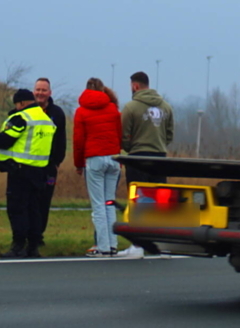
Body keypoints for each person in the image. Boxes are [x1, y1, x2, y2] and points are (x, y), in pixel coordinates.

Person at [0, 88, 56, 258]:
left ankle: (18, 246)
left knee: (17, 209)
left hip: (20, 171)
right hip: (40, 171)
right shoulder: (45, 119)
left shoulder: (21, 118)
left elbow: (4, 141)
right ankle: (33, 246)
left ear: (21, 103)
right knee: (34, 209)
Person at [120, 71, 174, 258]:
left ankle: (138, 245)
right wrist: (158, 144)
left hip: (137, 157)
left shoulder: (130, 107)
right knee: (160, 201)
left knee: (138, 200)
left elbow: (124, 135)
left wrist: (130, 147)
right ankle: (162, 244)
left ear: (135, 86)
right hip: (160, 157)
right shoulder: (166, 107)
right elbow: (169, 134)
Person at [73, 78, 122, 257]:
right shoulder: (113, 109)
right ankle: (113, 244)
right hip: (114, 157)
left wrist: (78, 164)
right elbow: (119, 134)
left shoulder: (81, 112)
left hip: (94, 158)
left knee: (98, 205)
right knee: (110, 202)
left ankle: (102, 247)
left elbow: (78, 141)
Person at [33, 77, 66, 245]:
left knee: (44, 202)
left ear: (49, 93)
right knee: (29, 202)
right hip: (29, 166)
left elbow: (61, 141)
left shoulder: (57, 113)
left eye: (43, 90)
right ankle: (27, 235)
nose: (40, 93)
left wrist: (56, 162)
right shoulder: (27, 111)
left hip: (48, 168)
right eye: (38, 90)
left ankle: (39, 236)